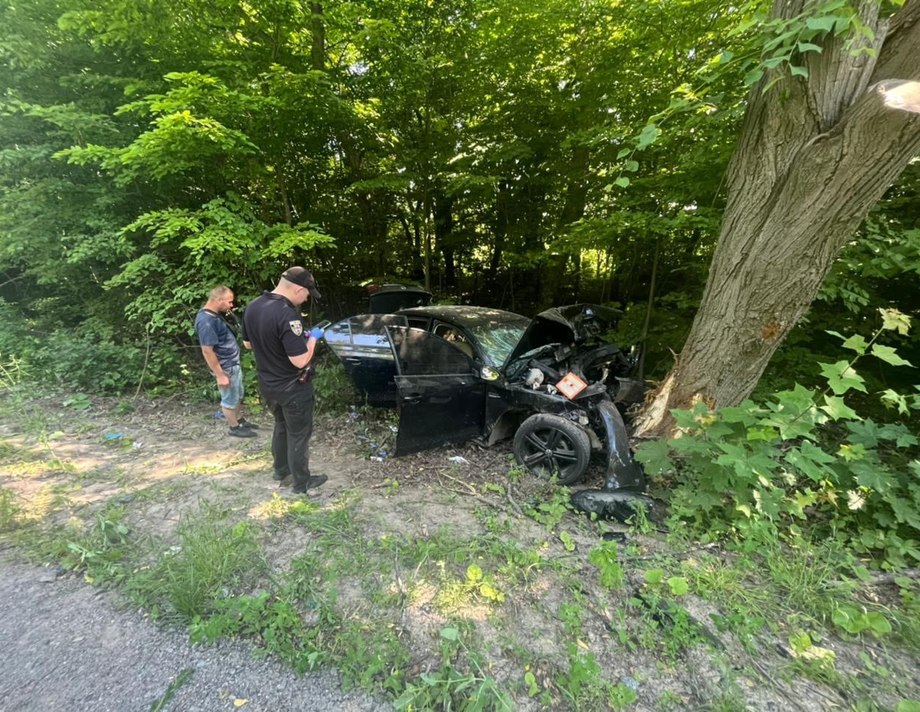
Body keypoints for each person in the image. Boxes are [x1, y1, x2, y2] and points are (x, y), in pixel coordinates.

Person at [242, 267, 327, 495]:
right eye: (307, 293)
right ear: (299, 289)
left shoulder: (253, 306)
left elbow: (248, 344)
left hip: (268, 385)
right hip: (293, 388)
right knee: (298, 434)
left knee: (281, 427)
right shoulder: (286, 314)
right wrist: (313, 341)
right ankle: (302, 483)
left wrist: (299, 338)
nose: (307, 297)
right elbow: (300, 361)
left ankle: (280, 470)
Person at [194, 285, 257, 438]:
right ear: (219, 299)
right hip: (225, 366)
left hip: (232, 363)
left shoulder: (215, 315)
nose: (231, 305)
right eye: (229, 302)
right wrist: (220, 374)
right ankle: (234, 427)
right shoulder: (206, 321)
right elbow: (207, 350)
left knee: (238, 395)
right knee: (229, 398)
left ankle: (239, 420)